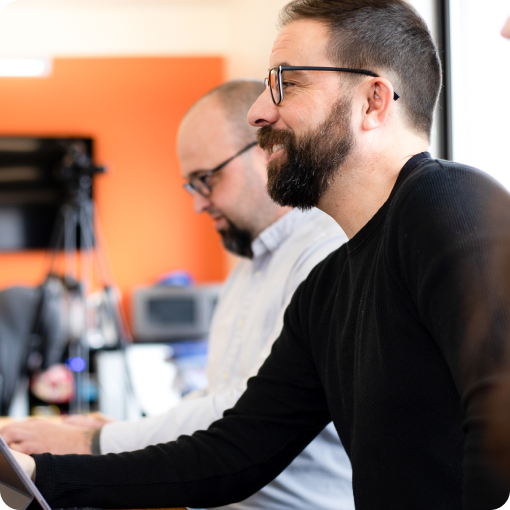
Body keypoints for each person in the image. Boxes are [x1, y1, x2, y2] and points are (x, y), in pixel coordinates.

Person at [10, 1, 510, 508]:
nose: (257, 113)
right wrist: (39, 475)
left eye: (287, 84)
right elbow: (232, 454)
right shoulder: (326, 289)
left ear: (373, 102)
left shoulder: (449, 203)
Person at [1, 79, 353, 510]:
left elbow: (241, 413)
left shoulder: (326, 254)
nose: (198, 204)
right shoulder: (247, 266)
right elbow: (213, 397)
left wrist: (93, 440)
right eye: (192, 186)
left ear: (266, 151)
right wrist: (122, 428)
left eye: (206, 179)